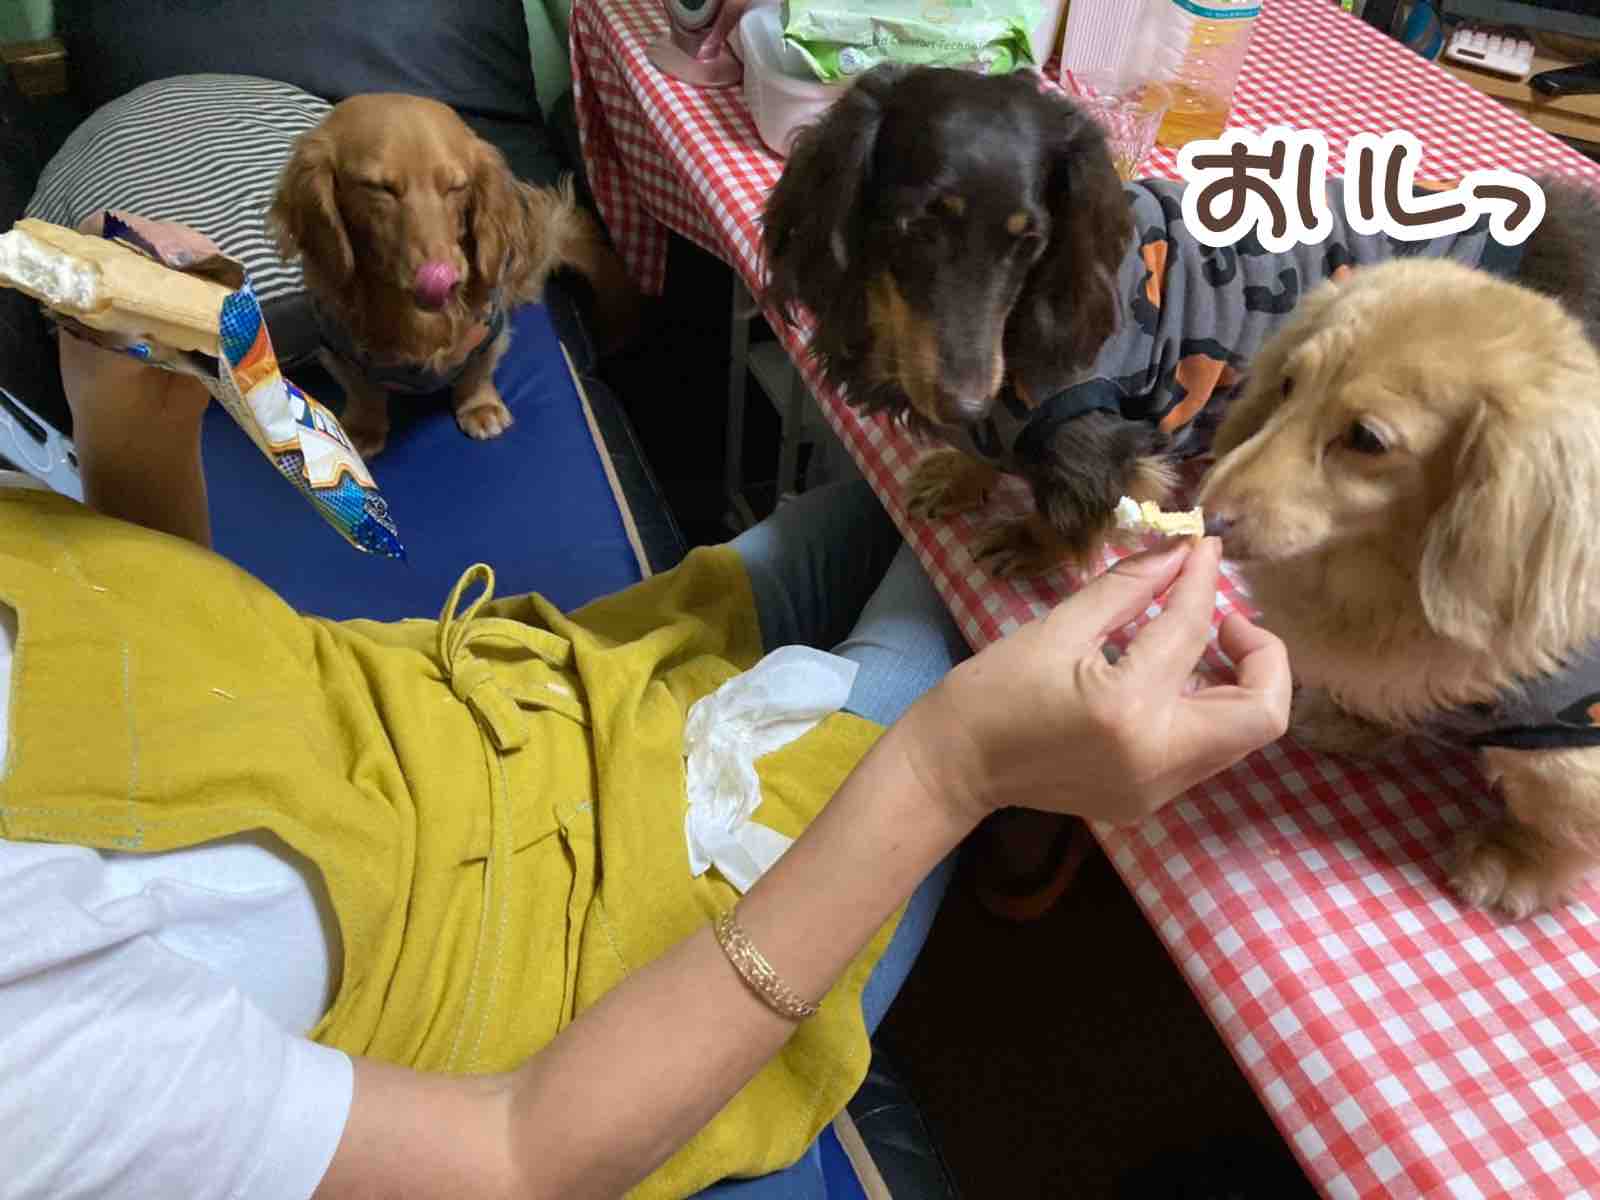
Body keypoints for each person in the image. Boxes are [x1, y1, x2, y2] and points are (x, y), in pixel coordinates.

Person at [0, 220, 1290, 1200]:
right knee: (992, 559)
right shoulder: (35, 1068)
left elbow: (160, 712)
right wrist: (955, 769)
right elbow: (519, 1154)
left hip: (500, 698)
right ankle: (1023, 839)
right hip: (579, 963)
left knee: (939, 486)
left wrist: (135, 426)